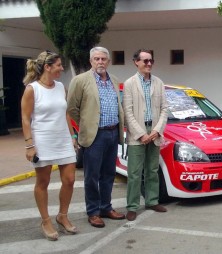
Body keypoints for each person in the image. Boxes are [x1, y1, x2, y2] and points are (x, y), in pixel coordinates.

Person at [21, 51, 78, 241]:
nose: (62, 68)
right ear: (48, 67)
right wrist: (30, 145)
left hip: (63, 139)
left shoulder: (61, 86)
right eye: (59, 65)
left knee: (69, 179)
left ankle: (62, 215)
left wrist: (73, 136)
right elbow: (25, 118)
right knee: (43, 182)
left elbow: (66, 114)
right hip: (43, 140)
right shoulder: (32, 89)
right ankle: (45, 220)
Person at [67, 46, 125, 227]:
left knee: (108, 174)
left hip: (113, 133)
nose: (100, 62)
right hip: (94, 135)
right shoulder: (80, 80)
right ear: (91, 61)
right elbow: (72, 108)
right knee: (91, 175)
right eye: (97, 59)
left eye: (103, 59)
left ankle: (106, 207)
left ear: (108, 61)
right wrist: (86, 123)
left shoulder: (114, 80)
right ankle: (93, 211)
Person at [122, 49, 169, 221]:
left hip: (155, 131)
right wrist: (141, 134)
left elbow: (164, 108)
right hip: (137, 134)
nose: (149, 64)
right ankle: (132, 206)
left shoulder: (159, 82)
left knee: (152, 170)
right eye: (145, 61)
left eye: (151, 61)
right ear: (136, 62)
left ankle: (152, 201)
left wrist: (157, 131)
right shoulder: (129, 83)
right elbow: (127, 111)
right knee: (135, 172)